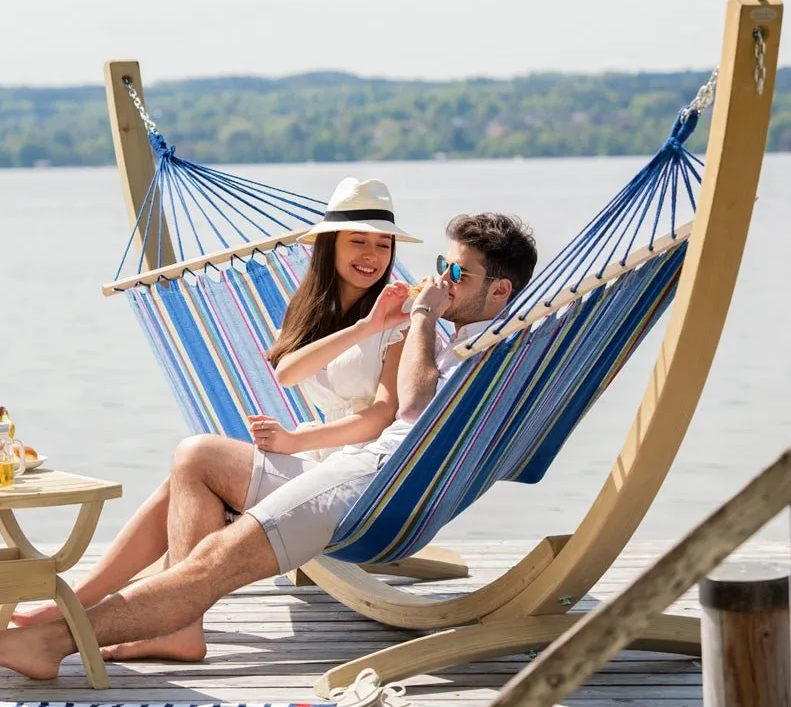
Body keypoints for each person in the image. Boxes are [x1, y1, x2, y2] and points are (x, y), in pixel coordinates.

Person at [0, 212, 537, 680]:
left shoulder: (490, 349)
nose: (439, 281)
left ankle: (53, 640)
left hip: (370, 485)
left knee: (212, 561)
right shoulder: (475, 339)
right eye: (444, 267)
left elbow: (410, 405)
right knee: (201, 461)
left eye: (457, 274)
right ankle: (148, 627)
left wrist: (422, 314)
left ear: (500, 291)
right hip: (361, 473)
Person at [13, 176, 421, 628]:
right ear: (329, 246)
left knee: (197, 455)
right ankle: (87, 602)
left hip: (355, 478)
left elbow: (382, 416)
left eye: (383, 245)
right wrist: (365, 327)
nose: (372, 256)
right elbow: (287, 373)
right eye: (358, 241)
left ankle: (161, 622)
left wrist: (293, 443)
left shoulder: (402, 320)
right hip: (319, 463)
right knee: (181, 483)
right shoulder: (313, 308)